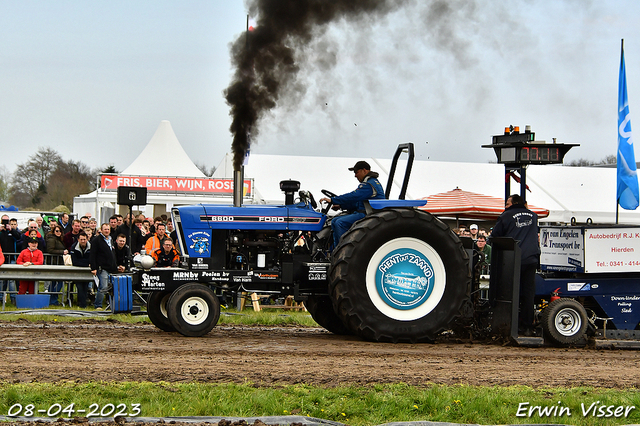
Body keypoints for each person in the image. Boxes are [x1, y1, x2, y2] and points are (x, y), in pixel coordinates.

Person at [491, 194, 540, 336]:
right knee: (528, 294)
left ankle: (512, 325)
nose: (505, 206)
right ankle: (527, 327)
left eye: (507, 203)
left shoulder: (506, 216)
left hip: (513, 259)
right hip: (531, 259)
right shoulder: (534, 216)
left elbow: (495, 235)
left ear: (514, 203)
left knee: (511, 293)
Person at [319, 160, 385, 248]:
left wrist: (333, 200)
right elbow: (358, 203)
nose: (355, 175)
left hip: (368, 214)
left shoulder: (369, 184)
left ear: (364, 170)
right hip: (364, 212)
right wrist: (341, 205)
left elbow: (354, 196)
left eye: (356, 172)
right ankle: (333, 250)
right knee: (334, 221)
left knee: (340, 222)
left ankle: (343, 250)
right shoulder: (370, 183)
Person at [89, 224, 117, 310]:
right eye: (105, 229)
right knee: (103, 287)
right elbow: (92, 254)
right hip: (102, 267)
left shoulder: (111, 239)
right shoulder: (96, 240)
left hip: (111, 267)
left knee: (111, 287)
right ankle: (98, 305)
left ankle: (112, 304)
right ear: (101, 230)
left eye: (108, 229)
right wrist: (93, 268)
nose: (107, 231)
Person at [46, 225, 68, 305]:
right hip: (54, 263)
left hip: (58, 262)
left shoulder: (59, 239)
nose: (58, 233)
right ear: (53, 231)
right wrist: (62, 252)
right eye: (57, 231)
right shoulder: (51, 239)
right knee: (56, 282)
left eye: (60, 231)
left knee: (57, 282)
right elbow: (50, 250)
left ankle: (52, 299)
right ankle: (52, 299)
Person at [70, 232, 91, 308]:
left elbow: (91, 259)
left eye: (84, 239)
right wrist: (86, 263)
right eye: (81, 239)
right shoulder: (74, 247)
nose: (83, 241)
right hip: (77, 271)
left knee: (85, 287)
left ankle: (82, 303)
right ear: (78, 239)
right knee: (79, 287)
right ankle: (82, 304)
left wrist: (83, 262)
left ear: (87, 239)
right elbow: (75, 262)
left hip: (87, 272)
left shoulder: (91, 247)